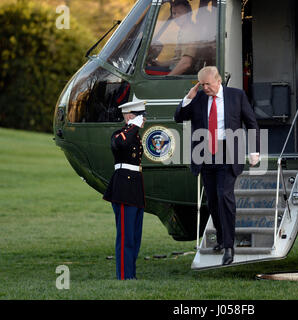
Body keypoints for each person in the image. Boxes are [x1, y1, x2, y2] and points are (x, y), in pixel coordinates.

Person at [174, 66, 260, 265]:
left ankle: (229, 247)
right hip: (205, 156)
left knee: (224, 196)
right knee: (212, 201)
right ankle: (221, 239)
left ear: (218, 81)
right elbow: (178, 117)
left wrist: (254, 151)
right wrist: (188, 97)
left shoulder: (236, 96)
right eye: (202, 84)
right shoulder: (199, 98)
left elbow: (251, 122)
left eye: (208, 84)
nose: (205, 88)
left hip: (229, 154)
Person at [103, 101, 146, 280]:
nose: (143, 120)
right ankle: (124, 276)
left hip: (135, 188)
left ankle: (131, 275)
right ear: (129, 116)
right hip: (123, 187)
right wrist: (132, 126)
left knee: (135, 236)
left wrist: (134, 127)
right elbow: (121, 144)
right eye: (140, 116)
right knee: (125, 237)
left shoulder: (134, 136)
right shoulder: (120, 134)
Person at [148, 0, 199, 75]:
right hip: (175, 69)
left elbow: (186, 63)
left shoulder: (190, 32)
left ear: (189, 14)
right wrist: (159, 64)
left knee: (146, 72)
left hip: (182, 75)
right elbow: (177, 60)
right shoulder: (183, 31)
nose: (176, 16)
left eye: (180, 13)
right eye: (174, 13)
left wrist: (167, 79)